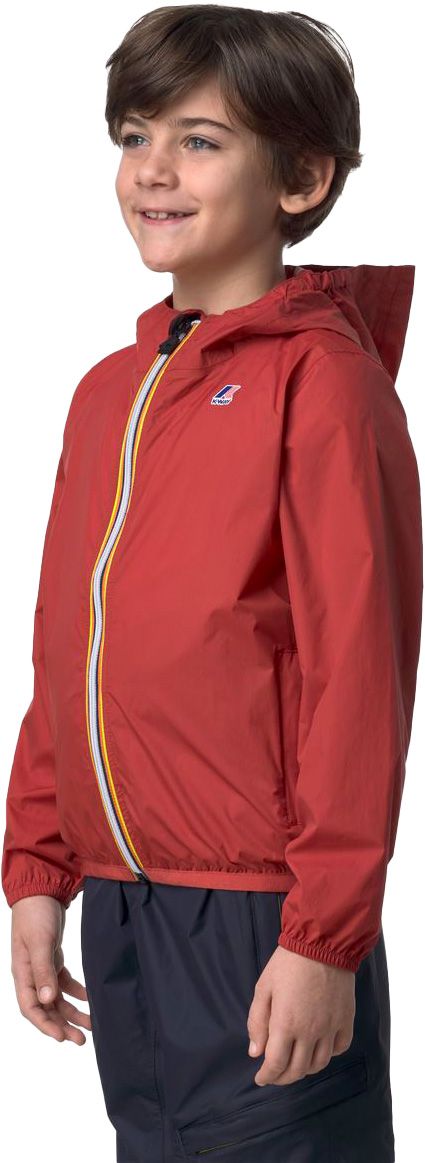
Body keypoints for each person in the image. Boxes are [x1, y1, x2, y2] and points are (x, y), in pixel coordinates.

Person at [2, 7, 422, 1162]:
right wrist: (37, 866)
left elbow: (357, 677)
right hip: (123, 902)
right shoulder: (107, 393)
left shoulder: (323, 385)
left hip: (257, 915)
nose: (151, 169)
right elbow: (69, 647)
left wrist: (322, 935)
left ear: (300, 177)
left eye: (198, 140)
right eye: (134, 136)